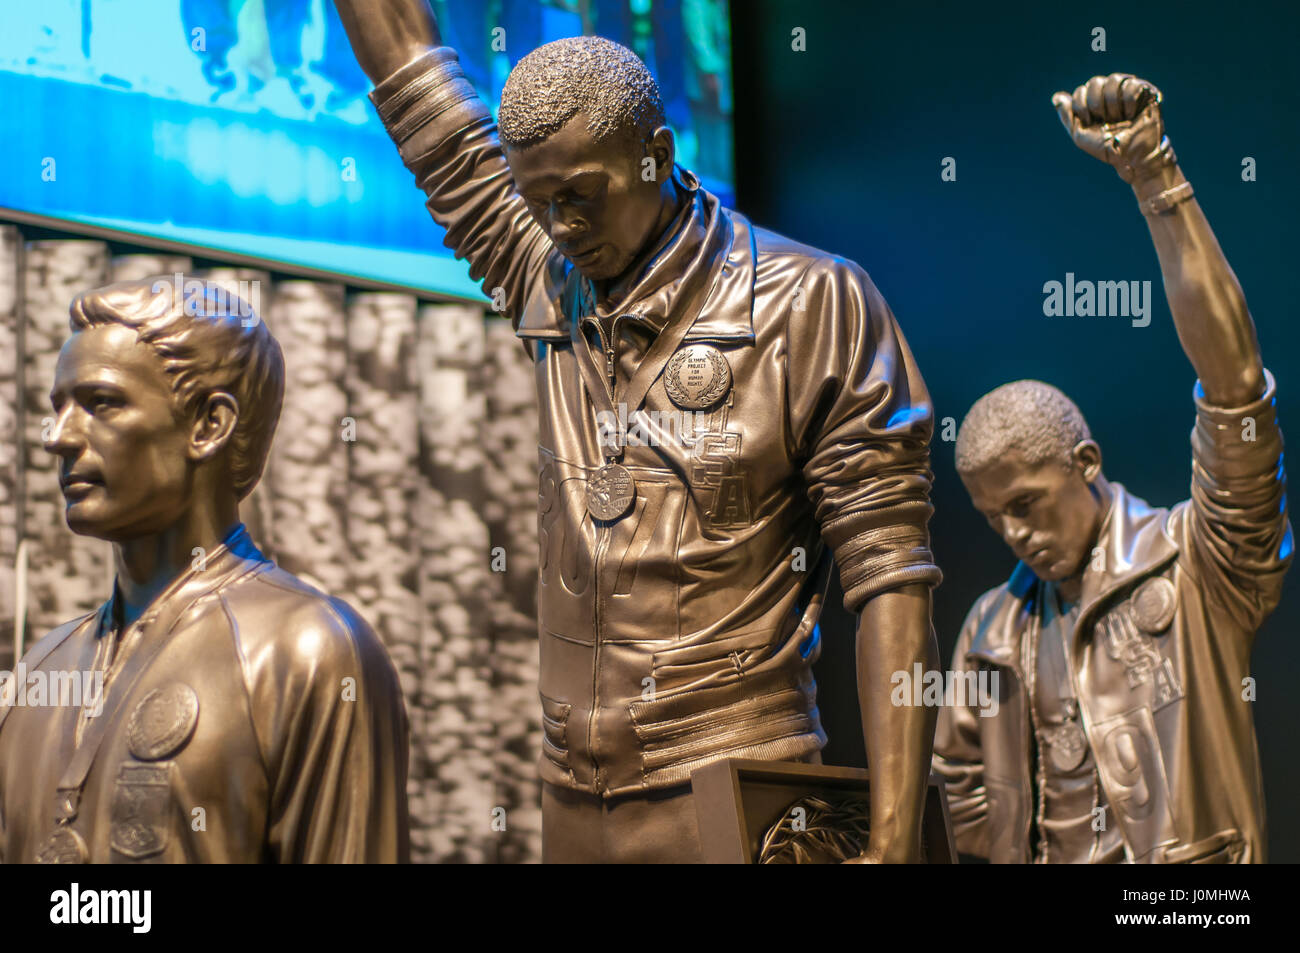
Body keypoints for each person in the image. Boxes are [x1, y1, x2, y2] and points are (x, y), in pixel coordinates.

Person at [332, 0, 943, 862]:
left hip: (733, 787)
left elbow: (892, 579)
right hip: (572, 798)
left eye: (583, 196)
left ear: (657, 157)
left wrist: (894, 838)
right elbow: (413, 77)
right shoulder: (550, 276)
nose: (562, 226)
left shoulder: (814, 303)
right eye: (537, 201)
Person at [933, 74, 1292, 863]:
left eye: (1027, 502)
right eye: (994, 518)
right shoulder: (990, 632)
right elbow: (962, 788)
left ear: (1086, 462)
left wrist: (1155, 174)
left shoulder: (1201, 563)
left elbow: (1235, 394)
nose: (1015, 534)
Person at [0, 276, 410, 863]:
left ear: (209, 425)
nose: (58, 438)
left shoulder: (310, 651)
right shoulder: (37, 673)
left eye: (101, 403)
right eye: (58, 407)